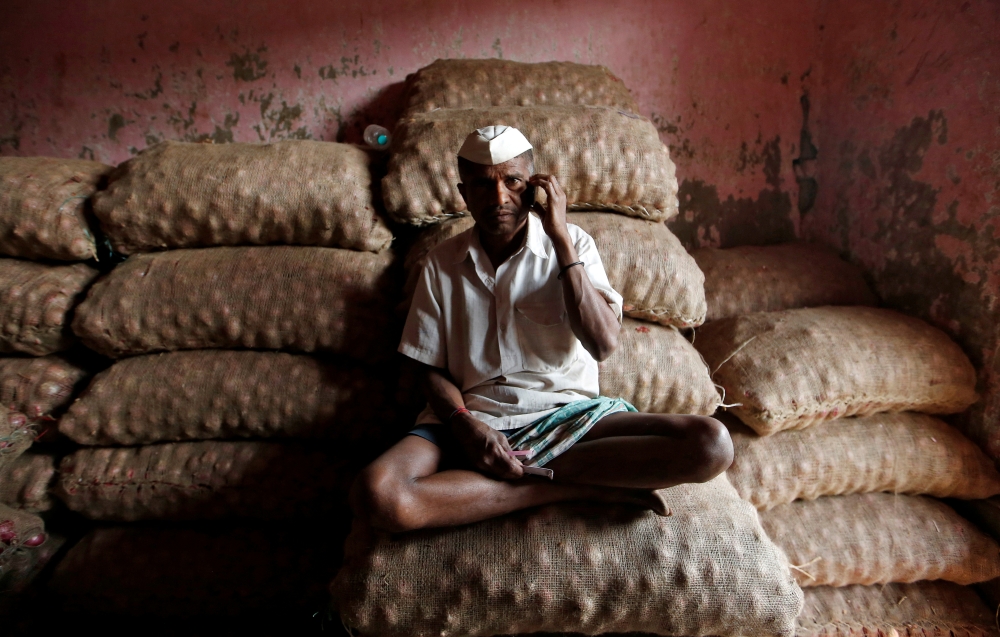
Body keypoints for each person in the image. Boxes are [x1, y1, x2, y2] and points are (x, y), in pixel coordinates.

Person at [351, 125, 733, 532]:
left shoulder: (574, 245)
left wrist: (561, 241)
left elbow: (603, 343)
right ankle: (563, 487)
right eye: (482, 185)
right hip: (470, 420)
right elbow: (427, 367)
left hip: (570, 418)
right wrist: (465, 425)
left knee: (711, 444)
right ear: (464, 195)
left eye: (512, 181)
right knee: (379, 496)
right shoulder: (441, 263)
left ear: (534, 187)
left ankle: (526, 480)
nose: (499, 198)